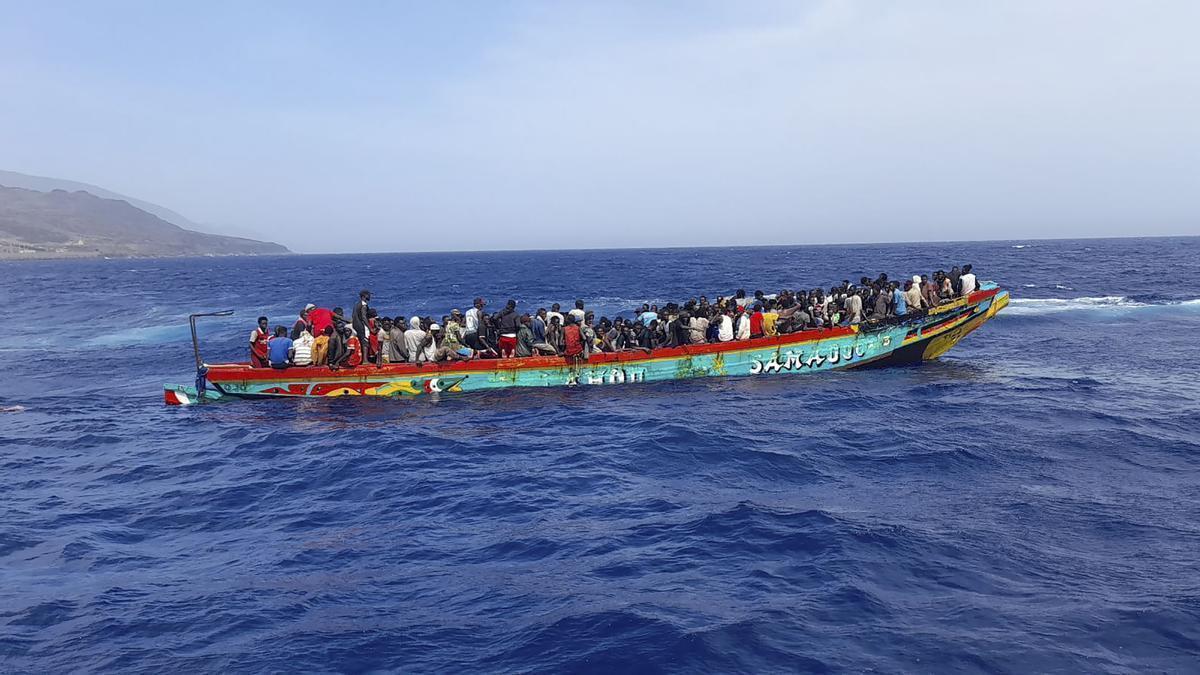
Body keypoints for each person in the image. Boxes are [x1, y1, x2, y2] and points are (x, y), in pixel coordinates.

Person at [352, 290, 371, 359]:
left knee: (360, 341)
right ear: (364, 296)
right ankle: (365, 360)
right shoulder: (364, 305)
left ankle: (361, 359)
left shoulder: (357, 304)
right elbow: (363, 317)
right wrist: (370, 328)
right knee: (365, 342)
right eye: (368, 294)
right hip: (362, 325)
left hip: (356, 325)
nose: (370, 296)